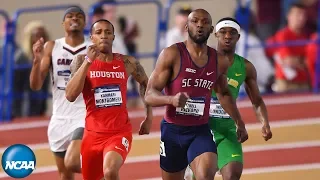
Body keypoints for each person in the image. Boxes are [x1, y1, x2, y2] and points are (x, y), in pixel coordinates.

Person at [144, 9, 248, 180]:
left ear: (211, 29)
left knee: (206, 175)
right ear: (186, 26)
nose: (200, 25)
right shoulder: (172, 54)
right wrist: (171, 99)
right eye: (195, 21)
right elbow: (149, 95)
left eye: (205, 22)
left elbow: (224, 93)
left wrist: (239, 121)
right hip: (172, 131)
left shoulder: (219, 60)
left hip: (200, 130)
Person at [65, 19, 153, 180]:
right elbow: (70, 95)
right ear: (92, 38)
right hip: (92, 134)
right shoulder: (80, 61)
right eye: (98, 33)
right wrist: (88, 62)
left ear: (113, 37)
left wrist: (149, 117)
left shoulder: (127, 62)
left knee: (110, 171)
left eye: (108, 32)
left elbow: (145, 84)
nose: (103, 36)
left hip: (119, 132)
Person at [188, 17, 274, 180]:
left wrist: (265, 123)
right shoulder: (201, 60)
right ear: (215, 34)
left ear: (239, 37)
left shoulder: (246, 67)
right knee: (204, 177)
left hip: (228, 130)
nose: (227, 36)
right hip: (202, 129)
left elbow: (257, 101)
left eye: (232, 32)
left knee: (233, 174)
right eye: (223, 32)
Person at [30, 6, 88, 179]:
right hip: (60, 117)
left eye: (79, 16)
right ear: (63, 23)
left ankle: (104, 172)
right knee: (65, 173)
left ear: (85, 22)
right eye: (70, 16)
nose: (75, 19)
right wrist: (36, 60)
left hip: (84, 114)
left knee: (74, 161)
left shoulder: (93, 47)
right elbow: (36, 85)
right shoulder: (52, 46)